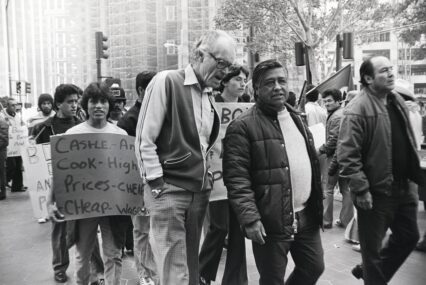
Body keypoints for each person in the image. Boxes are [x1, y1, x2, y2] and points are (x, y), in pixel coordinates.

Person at [135, 30, 236, 285]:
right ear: (199, 54)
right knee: (174, 270)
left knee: (189, 266)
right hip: (169, 191)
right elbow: (144, 139)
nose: (225, 71)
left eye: (229, 66)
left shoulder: (207, 95)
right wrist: (157, 185)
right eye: (221, 63)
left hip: (198, 193)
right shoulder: (166, 81)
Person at [223, 59, 324, 285]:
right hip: (271, 220)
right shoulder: (242, 127)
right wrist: (250, 219)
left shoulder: (298, 118)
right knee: (272, 279)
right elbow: (236, 178)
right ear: (256, 89)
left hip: (306, 216)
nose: (278, 86)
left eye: (281, 80)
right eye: (269, 83)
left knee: (314, 267)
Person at [337, 56, 423, 284]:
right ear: (368, 78)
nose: (391, 74)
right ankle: (372, 275)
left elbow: (407, 140)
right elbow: (347, 155)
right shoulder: (357, 108)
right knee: (372, 252)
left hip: (404, 188)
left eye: (391, 69)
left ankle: (370, 273)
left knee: (409, 236)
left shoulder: (396, 100)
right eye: (384, 70)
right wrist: (362, 189)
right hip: (375, 194)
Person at [62, 82, 128, 285]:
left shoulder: (121, 136)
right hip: (85, 208)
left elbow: (128, 173)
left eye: (103, 101)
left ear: (109, 105)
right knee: (83, 255)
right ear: (86, 104)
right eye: (93, 101)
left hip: (113, 207)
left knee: (113, 254)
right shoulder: (73, 135)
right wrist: (51, 201)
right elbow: (61, 173)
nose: (98, 106)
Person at [199, 64, 249, 285]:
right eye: (237, 79)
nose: (241, 83)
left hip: (240, 176)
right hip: (216, 176)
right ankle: (201, 272)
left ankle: (236, 279)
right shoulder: (211, 104)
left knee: (239, 230)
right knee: (218, 226)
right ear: (225, 81)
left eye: (244, 79)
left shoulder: (248, 107)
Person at [117, 71, 158, 285]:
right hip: (138, 185)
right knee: (141, 230)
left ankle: (156, 271)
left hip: (162, 182)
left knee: (162, 229)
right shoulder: (128, 121)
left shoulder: (162, 112)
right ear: (142, 90)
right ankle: (146, 274)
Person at [318, 88, 353, 229]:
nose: (326, 103)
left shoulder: (337, 116)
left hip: (334, 157)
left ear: (338, 101)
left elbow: (334, 140)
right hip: (343, 157)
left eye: (329, 101)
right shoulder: (339, 113)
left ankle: (326, 221)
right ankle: (346, 220)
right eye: (324, 101)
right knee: (345, 189)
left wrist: (320, 149)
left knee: (328, 188)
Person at [1, 98, 25, 192]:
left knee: (19, 166)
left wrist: (23, 126)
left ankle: (18, 186)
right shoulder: (2, 116)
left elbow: (20, 129)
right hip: (8, 146)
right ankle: (5, 181)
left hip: (17, 145)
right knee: (12, 166)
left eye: (16, 105)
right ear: (7, 106)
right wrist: (5, 123)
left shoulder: (17, 116)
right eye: (12, 105)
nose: (15, 107)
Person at [0, 116, 8, 200]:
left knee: (1, 172)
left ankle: (2, 193)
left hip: (1, 151)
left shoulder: (2, 121)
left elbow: (4, 140)